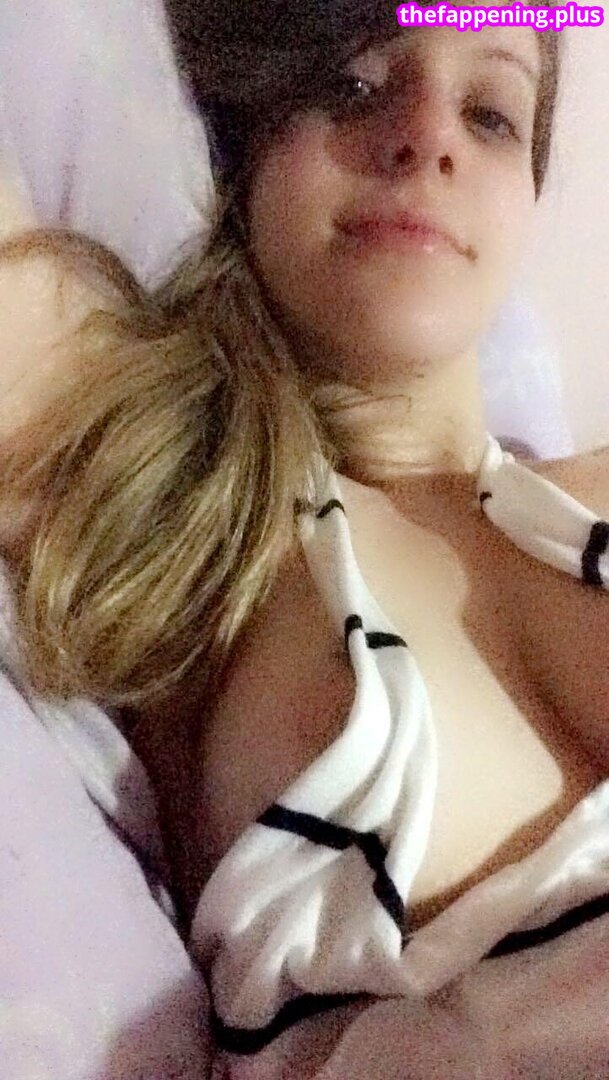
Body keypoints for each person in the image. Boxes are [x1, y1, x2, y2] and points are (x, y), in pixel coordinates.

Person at [1, 1, 609, 1076]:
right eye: (353, 84)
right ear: (250, 143)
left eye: (491, 113)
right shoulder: (179, 511)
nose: (429, 135)